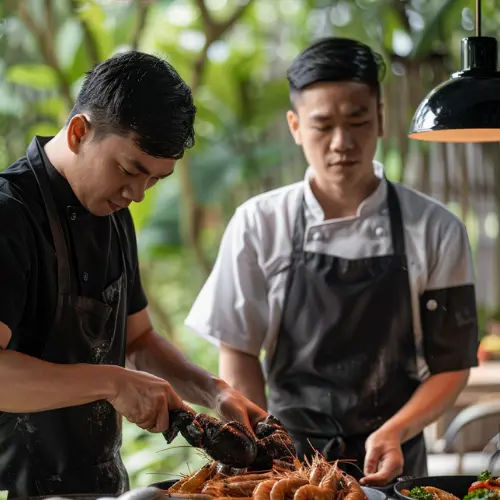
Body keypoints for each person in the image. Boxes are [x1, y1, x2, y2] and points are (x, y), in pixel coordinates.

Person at [185, 38, 479, 485]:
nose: (342, 142)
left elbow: (452, 363)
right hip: (289, 467)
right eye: (323, 125)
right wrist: (269, 450)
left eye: (358, 120)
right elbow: (239, 350)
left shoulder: (436, 228)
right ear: (295, 126)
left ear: (380, 118)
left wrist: (396, 430)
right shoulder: (259, 223)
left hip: (397, 463)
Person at [0, 51, 266, 497]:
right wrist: (111, 381)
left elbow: (138, 340)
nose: (138, 194)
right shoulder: (8, 214)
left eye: (156, 180)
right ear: (79, 131)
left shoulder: (113, 207)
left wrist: (214, 390)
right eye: (129, 170)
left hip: (99, 485)